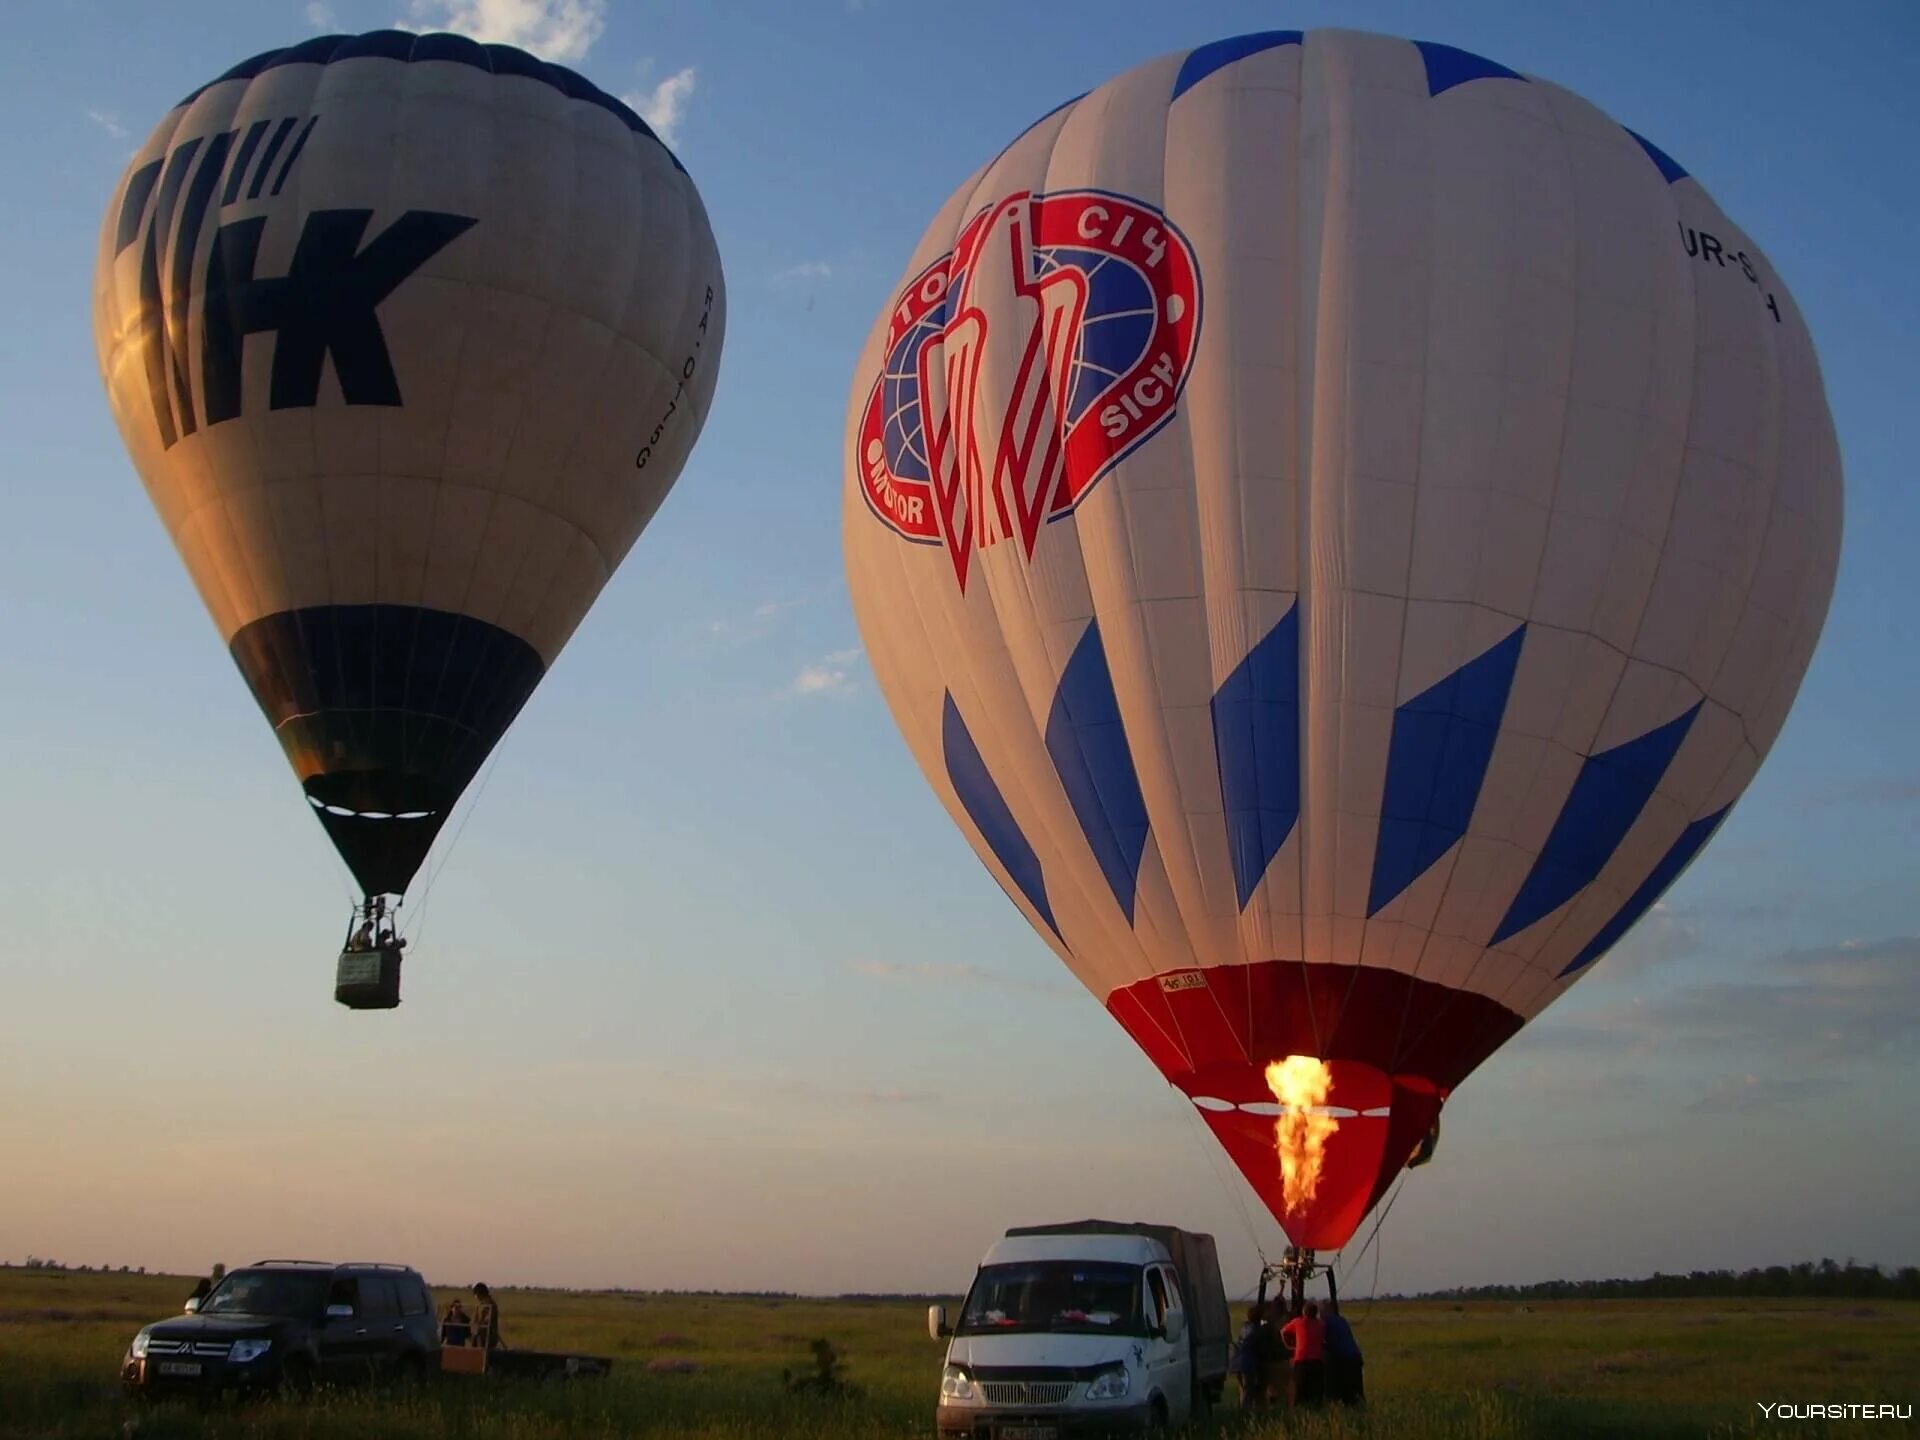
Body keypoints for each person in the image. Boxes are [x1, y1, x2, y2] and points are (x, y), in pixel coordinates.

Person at [1279, 1299, 1327, 1409]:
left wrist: (1288, 1346)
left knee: (1300, 1386)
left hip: (1301, 1359)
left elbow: (1283, 1331)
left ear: (1304, 1312)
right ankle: (1316, 1407)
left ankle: (1299, 1408)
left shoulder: (1298, 1322)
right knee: (1316, 1388)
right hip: (1317, 1360)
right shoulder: (1321, 1324)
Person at [1322, 1298, 1364, 1405]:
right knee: (1357, 1390)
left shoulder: (1327, 1322)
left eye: (1322, 1309)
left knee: (1344, 1390)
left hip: (1344, 1359)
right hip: (1355, 1357)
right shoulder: (1342, 1320)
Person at [1231, 1303, 1267, 1410]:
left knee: (1243, 1389)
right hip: (1248, 1364)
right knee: (1248, 1391)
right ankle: (1245, 1415)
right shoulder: (1258, 1331)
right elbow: (1261, 1349)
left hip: (1237, 1362)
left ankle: (1243, 1410)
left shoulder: (1245, 1327)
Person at [471, 1283, 504, 1350]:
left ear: (479, 1293)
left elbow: (488, 1318)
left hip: (488, 1336)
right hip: (480, 1335)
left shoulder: (490, 1304)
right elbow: (475, 1318)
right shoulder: (481, 1304)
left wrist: (479, 1325)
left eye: (475, 1294)